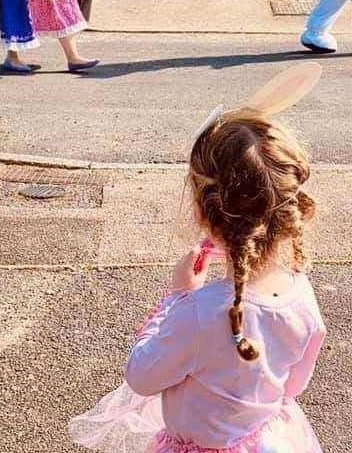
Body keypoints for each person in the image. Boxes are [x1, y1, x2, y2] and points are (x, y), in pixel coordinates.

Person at [69, 66, 327, 453]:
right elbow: (293, 387)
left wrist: (177, 296)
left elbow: (142, 377)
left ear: (204, 213)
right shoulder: (301, 293)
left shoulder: (199, 312)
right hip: (265, 441)